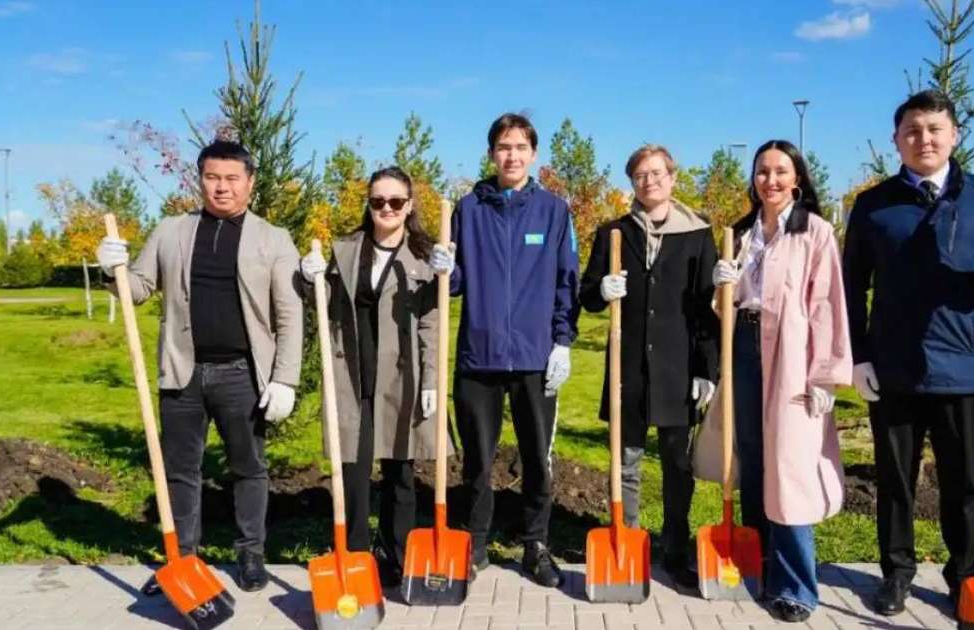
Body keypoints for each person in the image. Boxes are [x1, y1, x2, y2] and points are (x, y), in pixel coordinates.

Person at [842, 90, 974, 616]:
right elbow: (850, 285)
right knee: (895, 480)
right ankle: (897, 573)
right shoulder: (874, 205)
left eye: (933, 129)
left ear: (954, 134)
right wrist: (858, 357)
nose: (922, 139)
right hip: (895, 366)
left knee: (964, 483)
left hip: (966, 366)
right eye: (911, 130)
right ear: (896, 140)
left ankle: (962, 575)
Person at [96, 139, 303, 593]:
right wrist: (111, 270)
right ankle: (181, 561)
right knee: (179, 470)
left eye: (232, 178)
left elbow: (290, 315)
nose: (222, 188)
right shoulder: (171, 231)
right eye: (212, 177)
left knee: (248, 468)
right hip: (182, 372)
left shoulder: (274, 239)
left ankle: (250, 555)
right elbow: (139, 288)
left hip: (242, 375)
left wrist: (285, 378)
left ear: (249, 182)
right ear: (200, 179)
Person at [428, 113, 580, 588]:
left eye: (520, 147)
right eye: (502, 146)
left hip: (536, 360)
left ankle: (535, 545)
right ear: (491, 153)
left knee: (537, 458)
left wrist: (562, 341)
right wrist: (444, 266)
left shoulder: (554, 211)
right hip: (480, 356)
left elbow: (566, 281)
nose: (511, 155)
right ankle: (474, 542)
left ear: (533, 154)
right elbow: (454, 286)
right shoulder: (468, 209)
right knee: (476, 460)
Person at [711, 140, 852, 622]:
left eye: (780, 172)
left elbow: (827, 304)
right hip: (746, 349)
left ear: (797, 179)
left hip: (792, 356)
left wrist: (826, 374)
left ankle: (796, 586)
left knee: (789, 464)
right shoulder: (741, 233)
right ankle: (760, 564)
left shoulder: (813, 231)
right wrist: (722, 283)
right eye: (762, 172)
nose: (770, 180)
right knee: (752, 458)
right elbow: (727, 307)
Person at [298, 166, 449, 586]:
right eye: (378, 201)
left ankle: (398, 555)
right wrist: (308, 275)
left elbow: (430, 325)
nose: (387, 208)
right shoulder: (345, 249)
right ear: (369, 203)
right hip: (352, 375)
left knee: (400, 472)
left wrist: (433, 380)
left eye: (396, 202)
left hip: (400, 377)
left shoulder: (423, 256)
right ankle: (357, 556)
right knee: (353, 470)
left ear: (409, 206)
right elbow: (323, 304)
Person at [577, 144, 718, 590]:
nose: (649, 181)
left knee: (677, 464)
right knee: (628, 462)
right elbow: (587, 297)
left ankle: (675, 549)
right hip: (629, 368)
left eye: (657, 173)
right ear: (632, 183)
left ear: (672, 178)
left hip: (678, 369)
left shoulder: (696, 234)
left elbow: (706, 312)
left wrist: (707, 370)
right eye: (640, 175)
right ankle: (629, 543)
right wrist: (602, 287)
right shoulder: (614, 233)